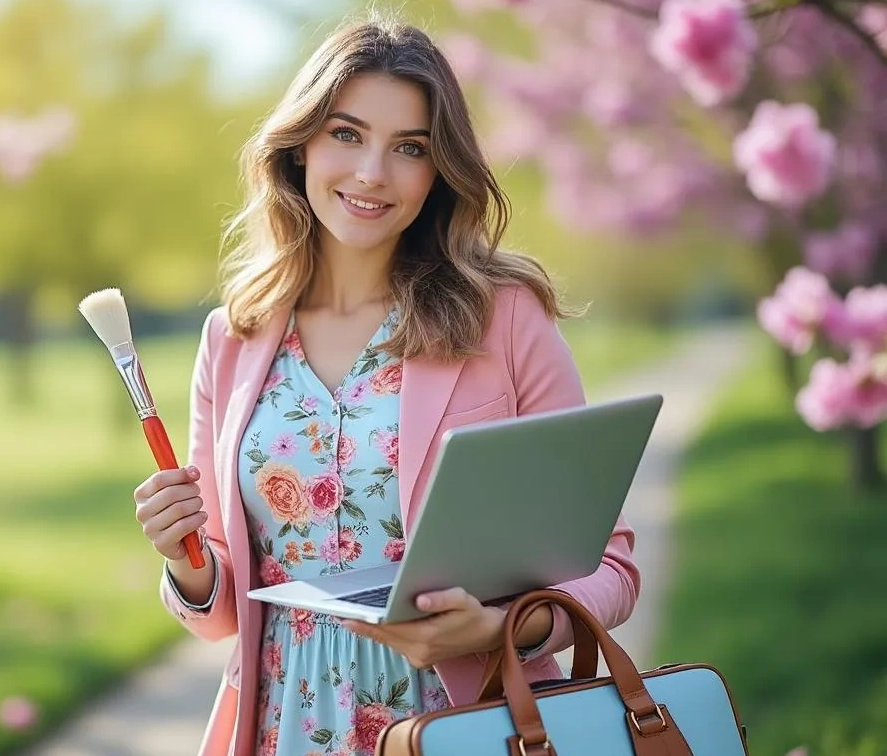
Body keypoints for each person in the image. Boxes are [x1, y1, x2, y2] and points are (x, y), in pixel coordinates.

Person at [130, 14, 640, 756]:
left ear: (439, 171)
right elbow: (225, 609)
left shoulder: (505, 317)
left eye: (410, 147)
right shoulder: (232, 338)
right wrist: (184, 558)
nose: (373, 172)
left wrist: (499, 627)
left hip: (468, 725)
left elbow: (611, 563)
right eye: (347, 134)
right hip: (283, 727)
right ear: (300, 146)